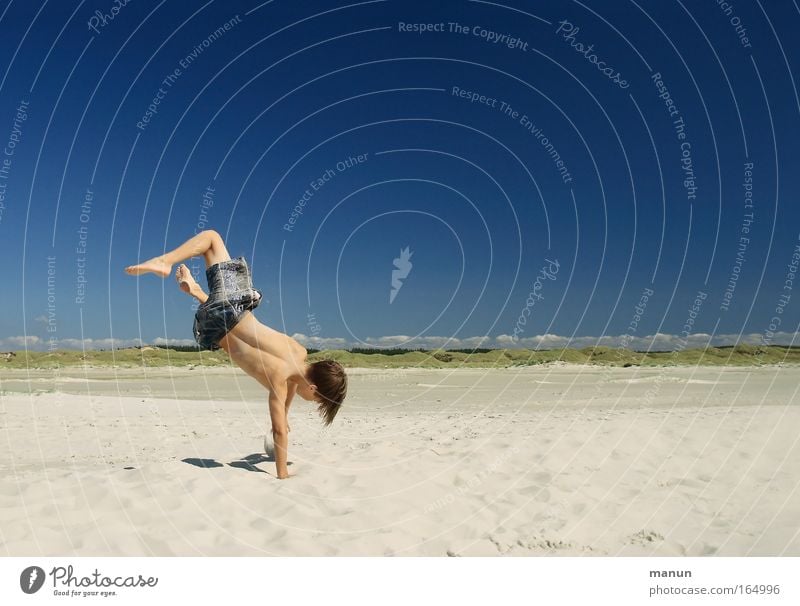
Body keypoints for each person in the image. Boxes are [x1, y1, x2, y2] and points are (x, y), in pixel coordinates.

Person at [124, 230, 347, 479]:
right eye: (316, 401)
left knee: (212, 245)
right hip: (220, 319)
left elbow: (295, 384)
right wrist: (282, 472)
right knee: (211, 239)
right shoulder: (279, 383)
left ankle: (196, 290)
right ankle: (165, 262)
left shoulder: (299, 351)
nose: (312, 402)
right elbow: (279, 432)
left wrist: (284, 414)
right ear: (314, 388)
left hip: (228, 312)